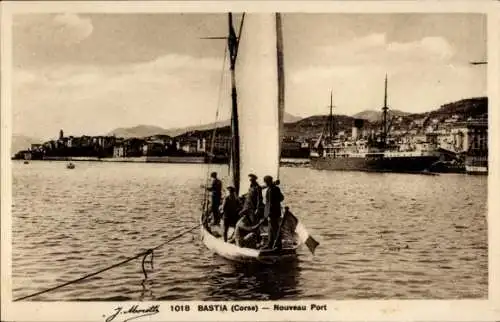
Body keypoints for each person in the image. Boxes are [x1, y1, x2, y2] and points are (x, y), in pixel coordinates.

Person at [263, 175, 284, 249]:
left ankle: (278, 245)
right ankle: (270, 244)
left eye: (265, 182)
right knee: (271, 229)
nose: (265, 183)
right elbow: (282, 198)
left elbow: (270, 203)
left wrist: (268, 215)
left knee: (274, 229)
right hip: (276, 212)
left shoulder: (270, 190)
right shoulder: (276, 188)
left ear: (267, 182)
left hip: (272, 213)